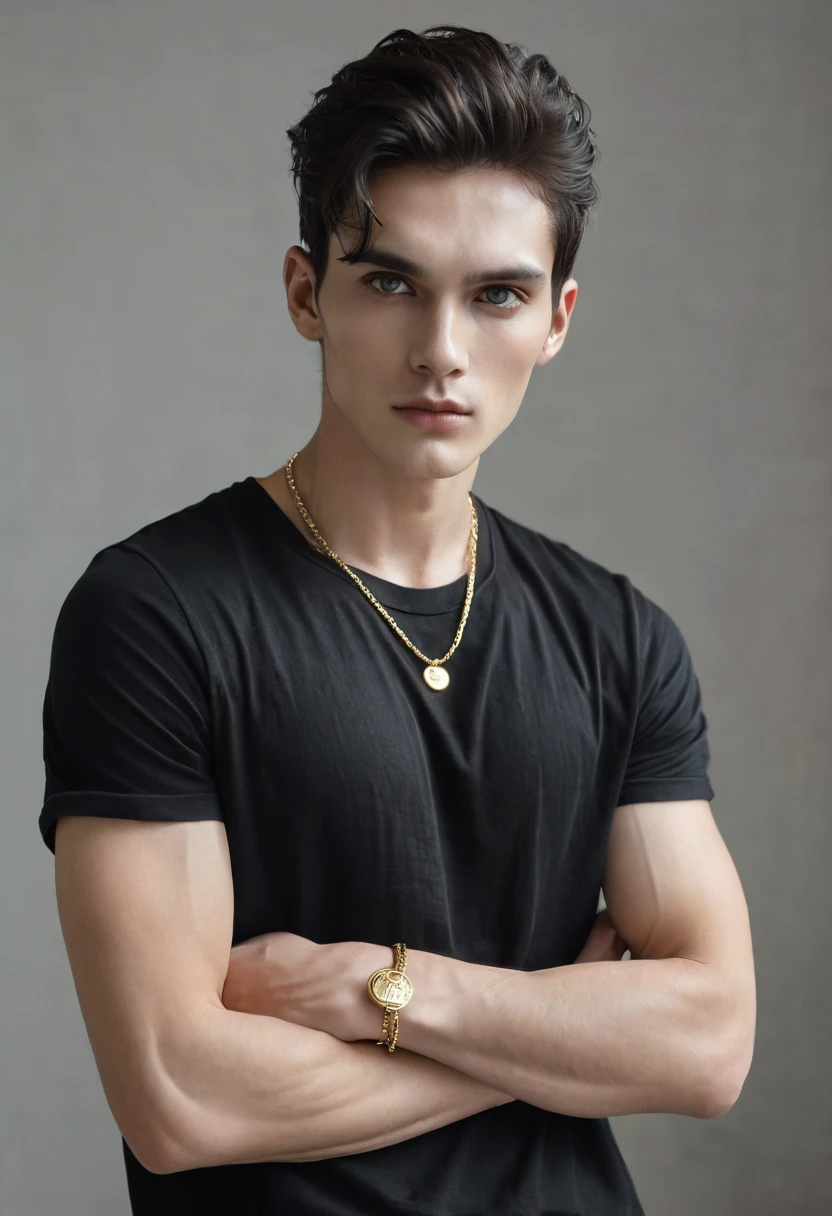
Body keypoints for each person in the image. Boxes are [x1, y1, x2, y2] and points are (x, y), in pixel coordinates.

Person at [39, 23, 756, 1216]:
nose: (442, 351)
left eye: (496, 296)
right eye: (390, 282)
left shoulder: (620, 636)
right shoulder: (154, 614)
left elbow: (711, 1045)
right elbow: (180, 1099)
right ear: (305, 291)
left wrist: (395, 989)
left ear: (558, 319)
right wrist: (554, 1040)